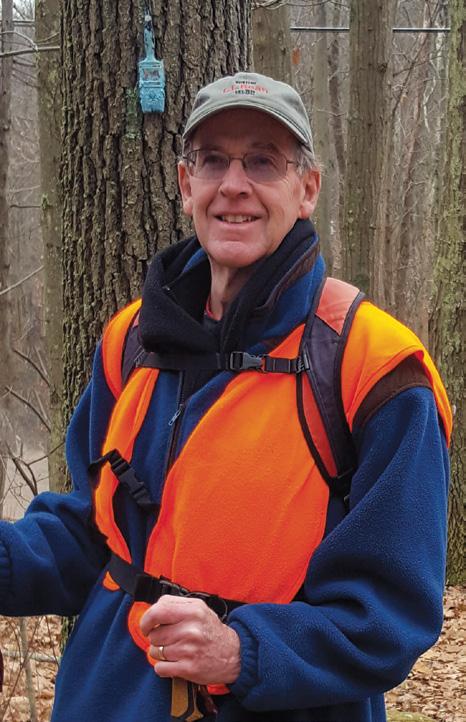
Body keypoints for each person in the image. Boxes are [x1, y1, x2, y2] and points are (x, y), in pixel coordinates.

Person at [0, 72, 452, 722]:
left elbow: (391, 613)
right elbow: (91, 534)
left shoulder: (374, 369)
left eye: (263, 161)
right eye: (214, 160)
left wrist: (242, 651)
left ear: (307, 189)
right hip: (107, 696)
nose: (234, 185)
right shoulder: (131, 342)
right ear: (187, 185)